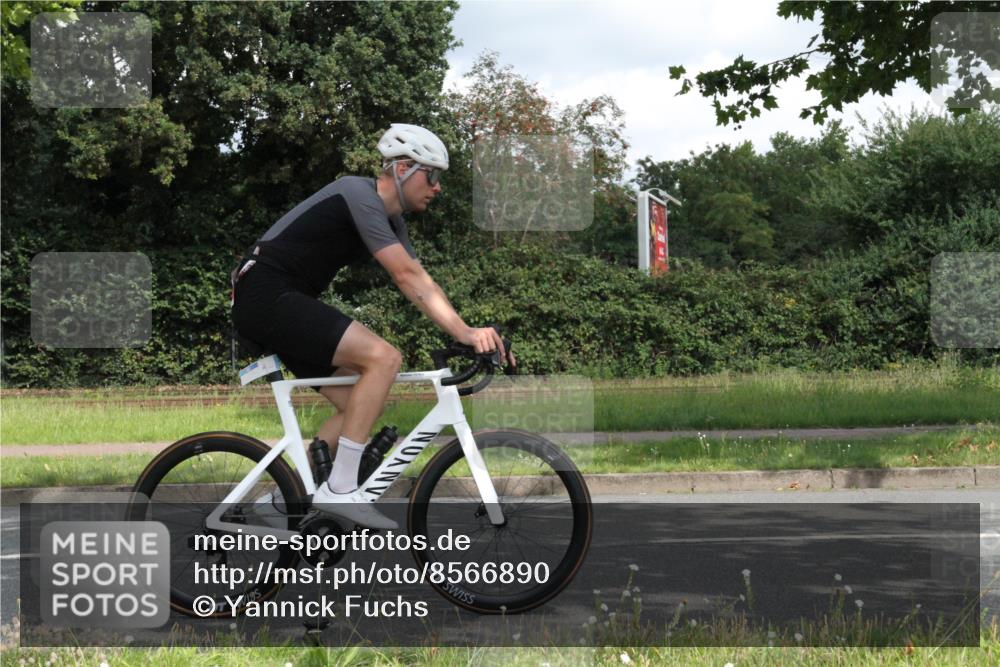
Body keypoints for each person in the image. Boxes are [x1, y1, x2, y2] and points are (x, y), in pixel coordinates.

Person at [231, 123, 510, 530]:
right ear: (403, 168)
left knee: (358, 405)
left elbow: (421, 281)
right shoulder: (357, 193)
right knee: (384, 358)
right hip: (266, 293)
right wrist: (464, 332)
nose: (437, 188)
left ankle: (281, 503)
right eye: (432, 175)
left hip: (282, 300)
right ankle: (341, 489)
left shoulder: (391, 221)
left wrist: (467, 331)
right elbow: (406, 276)